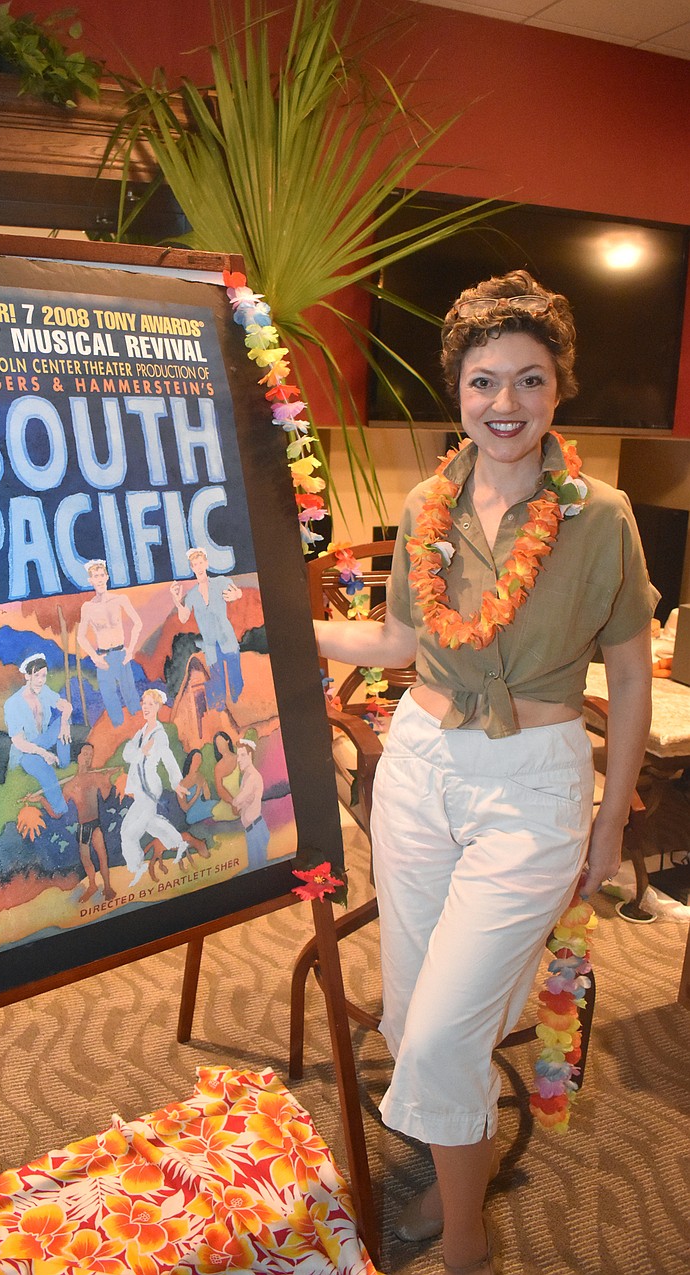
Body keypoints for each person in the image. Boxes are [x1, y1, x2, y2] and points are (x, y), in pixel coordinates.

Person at [315, 270, 656, 1275]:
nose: (502, 404)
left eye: (527, 381)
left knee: (438, 1035)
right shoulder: (429, 500)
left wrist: (606, 822)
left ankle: (463, 1241)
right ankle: (449, 1176)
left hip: (533, 783)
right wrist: (286, 633)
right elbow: (394, 639)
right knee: (415, 1014)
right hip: (418, 771)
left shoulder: (602, 517)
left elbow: (630, 683)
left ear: (559, 391)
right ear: (455, 392)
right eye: (481, 383)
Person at [118, 688, 188, 887]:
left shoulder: (159, 734)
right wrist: (140, 751)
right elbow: (127, 755)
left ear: (158, 707)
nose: (145, 707)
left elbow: (169, 760)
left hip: (149, 789)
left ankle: (136, 866)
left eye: (150, 704)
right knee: (150, 823)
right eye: (144, 703)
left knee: (129, 832)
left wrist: (176, 783)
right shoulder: (141, 732)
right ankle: (179, 843)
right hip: (140, 790)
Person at [170, 547, 243, 708]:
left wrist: (236, 595)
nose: (199, 567)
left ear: (207, 564)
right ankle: (221, 711)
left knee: (235, 677)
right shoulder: (192, 594)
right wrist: (176, 601)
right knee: (217, 680)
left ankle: (239, 702)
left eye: (201, 563)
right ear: (192, 568)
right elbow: (183, 618)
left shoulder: (220, 582)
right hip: (209, 643)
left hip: (227, 638)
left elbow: (237, 592)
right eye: (195, 564)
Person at [4, 653, 73, 816]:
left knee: (65, 722)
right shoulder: (13, 704)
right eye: (37, 676)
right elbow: (18, 742)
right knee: (45, 771)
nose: (41, 680)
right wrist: (43, 753)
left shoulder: (43, 691)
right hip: (25, 751)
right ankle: (61, 810)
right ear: (27, 676)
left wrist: (63, 724)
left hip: (43, 740)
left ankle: (63, 763)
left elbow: (66, 706)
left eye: (44, 675)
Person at [77, 559, 143, 727]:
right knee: (109, 697)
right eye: (95, 576)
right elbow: (81, 637)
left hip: (121, 654)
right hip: (103, 657)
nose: (99, 579)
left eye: (101, 575)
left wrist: (131, 651)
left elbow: (138, 623)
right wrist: (95, 658)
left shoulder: (120, 599)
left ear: (106, 577)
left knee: (130, 694)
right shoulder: (88, 607)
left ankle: (138, 728)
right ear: (90, 581)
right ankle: (119, 732)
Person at [61, 742, 115, 902]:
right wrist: (41, 799)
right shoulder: (70, 785)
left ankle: (107, 887)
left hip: (95, 823)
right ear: (77, 757)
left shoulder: (95, 776)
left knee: (102, 856)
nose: (88, 758)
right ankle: (92, 885)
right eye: (85, 754)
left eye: (90, 755)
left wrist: (107, 780)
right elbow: (57, 812)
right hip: (83, 826)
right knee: (86, 859)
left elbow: (106, 796)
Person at [233, 735, 270, 870]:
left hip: (256, 830)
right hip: (252, 830)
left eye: (242, 755)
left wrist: (237, 802)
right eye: (238, 756)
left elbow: (238, 800)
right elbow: (241, 802)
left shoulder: (253, 777)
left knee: (257, 870)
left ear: (250, 754)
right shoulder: (247, 776)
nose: (239, 760)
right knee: (255, 868)